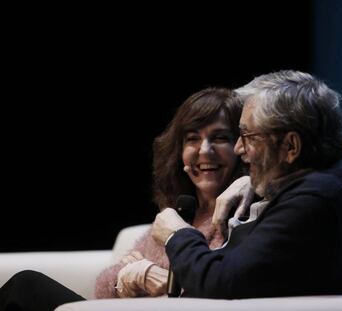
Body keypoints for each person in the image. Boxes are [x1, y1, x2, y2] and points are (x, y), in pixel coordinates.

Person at [0, 87, 246, 310]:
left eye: (220, 138)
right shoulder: (177, 213)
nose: (204, 150)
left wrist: (146, 273)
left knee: (27, 286)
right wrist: (129, 278)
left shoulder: (242, 214)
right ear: (179, 152)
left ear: (242, 146)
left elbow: (212, 284)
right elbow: (104, 287)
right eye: (192, 139)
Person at [151, 70, 342, 299]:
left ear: (291, 146)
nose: (238, 148)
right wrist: (261, 186)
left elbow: (221, 280)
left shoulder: (317, 200)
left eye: (249, 136)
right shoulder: (318, 191)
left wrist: (177, 235)